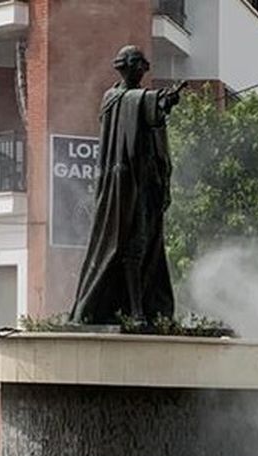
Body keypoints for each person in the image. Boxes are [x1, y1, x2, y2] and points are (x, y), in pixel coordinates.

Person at [70, 45, 187, 326]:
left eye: (143, 67)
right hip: (122, 186)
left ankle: (141, 308)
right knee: (131, 246)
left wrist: (163, 102)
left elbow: (151, 112)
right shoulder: (113, 99)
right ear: (126, 67)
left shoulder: (134, 98)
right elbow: (138, 102)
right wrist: (159, 99)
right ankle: (135, 312)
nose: (142, 71)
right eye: (138, 66)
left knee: (146, 244)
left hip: (145, 184)